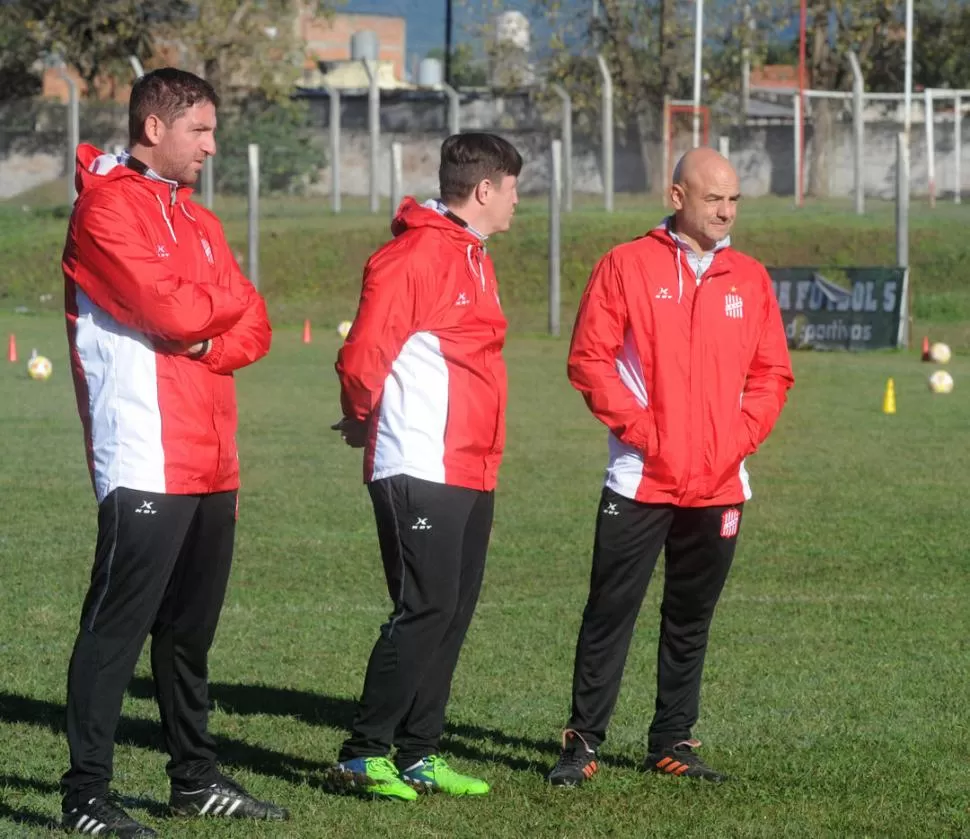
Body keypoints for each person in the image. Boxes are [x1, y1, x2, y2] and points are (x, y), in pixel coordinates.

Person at [60, 68, 285, 837]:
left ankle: (194, 778)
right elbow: (167, 307)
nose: (212, 147)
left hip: (211, 455)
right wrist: (209, 311)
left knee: (189, 633)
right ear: (154, 127)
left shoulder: (200, 221)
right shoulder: (105, 209)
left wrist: (203, 328)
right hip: (146, 453)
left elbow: (254, 322)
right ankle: (86, 793)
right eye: (201, 131)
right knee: (115, 629)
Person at [547, 148, 794, 787]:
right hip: (640, 478)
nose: (726, 211)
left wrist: (739, 437)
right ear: (677, 195)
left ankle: (672, 742)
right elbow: (589, 361)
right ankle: (582, 745)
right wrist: (646, 433)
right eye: (714, 198)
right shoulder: (625, 265)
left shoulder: (750, 277)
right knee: (610, 613)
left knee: (690, 619)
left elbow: (772, 373)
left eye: (734, 200)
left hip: (719, 483)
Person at [329, 132, 522, 802]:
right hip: (419, 459)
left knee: (452, 610)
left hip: (471, 464)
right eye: (514, 187)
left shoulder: (474, 257)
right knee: (425, 605)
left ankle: (418, 752)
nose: (518, 202)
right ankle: (362, 752)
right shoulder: (413, 255)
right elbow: (362, 357)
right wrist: (363, 417)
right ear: (487, 188)